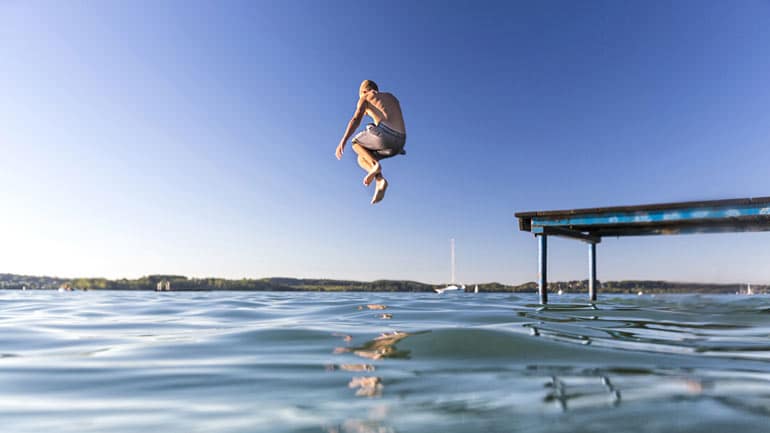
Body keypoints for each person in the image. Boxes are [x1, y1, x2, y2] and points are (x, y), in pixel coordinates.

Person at [336, 80, 406, 204]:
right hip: (399, 143)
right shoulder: (391, 97)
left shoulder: (366, 97)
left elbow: (356, 119)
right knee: (362, 159)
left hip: (386, 136)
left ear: (363, 91)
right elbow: (394, 119)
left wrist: (343, 140)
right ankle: (380, 180)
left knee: (356, 142)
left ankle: (375, 166)